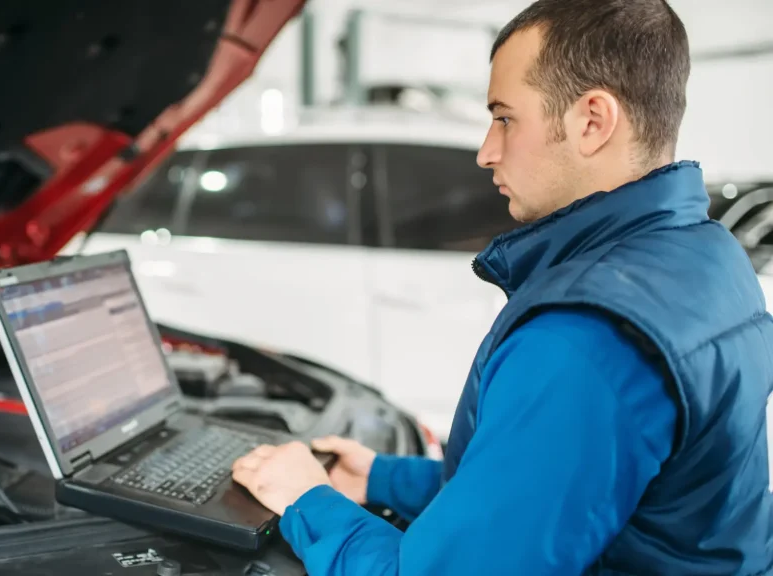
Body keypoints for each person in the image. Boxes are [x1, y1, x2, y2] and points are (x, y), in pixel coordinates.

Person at [231, 0, 773, 574]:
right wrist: (383, 477)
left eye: (505, 118)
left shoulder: (587, 339)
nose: (487, 151)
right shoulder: (709, 256)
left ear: (592, 120)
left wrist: (305, 500)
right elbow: (574, 488)